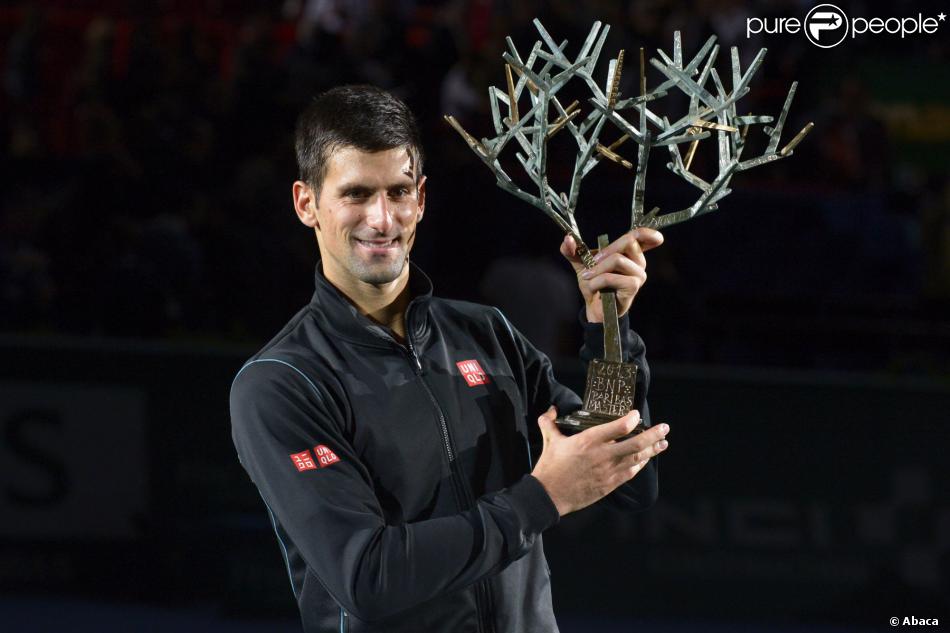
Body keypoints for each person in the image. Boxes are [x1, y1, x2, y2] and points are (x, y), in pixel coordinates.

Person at [229, 84, 670, 633]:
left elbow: (628, 479)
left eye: (398, 191)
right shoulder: (282, 384)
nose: (383, 219)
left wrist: (609, 330)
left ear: (422, 199)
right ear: (307, 204)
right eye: (357, 194)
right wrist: (543, 497)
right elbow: (369, 577)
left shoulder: (486, 334)